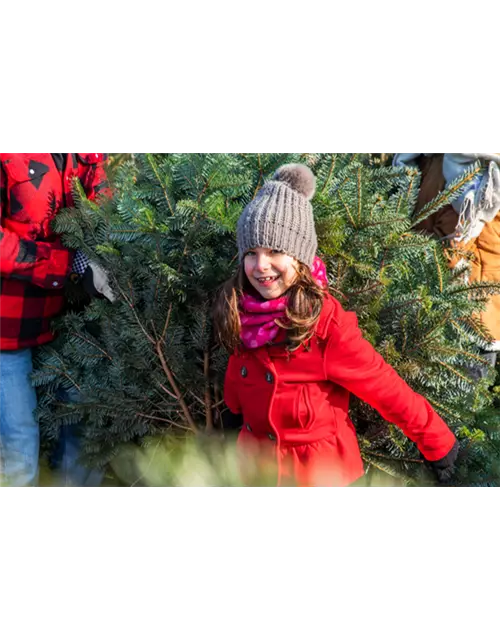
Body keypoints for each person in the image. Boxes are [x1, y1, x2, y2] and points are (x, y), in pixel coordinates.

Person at [213, 163, 459, 488]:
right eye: (251, 252)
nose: (261, 265)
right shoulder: (241, 308)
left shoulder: (325, 325)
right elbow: (239, 366)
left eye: (275, 251)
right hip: (255, 470)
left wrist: (437, 443)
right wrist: (233, 410)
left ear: (300, 257)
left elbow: (385, 387)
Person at [0, 152, 114, 487]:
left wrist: (104, 254)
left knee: (83, 433)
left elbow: (103, 206)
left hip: (69, 320)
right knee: (19, 444)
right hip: (6, 329)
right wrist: (66, 265)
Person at [394, 152, 500, 375]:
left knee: (460, 395)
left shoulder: (476, 167)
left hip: (469, 311)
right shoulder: (434, 159)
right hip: (431, 305)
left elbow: (452, 243)